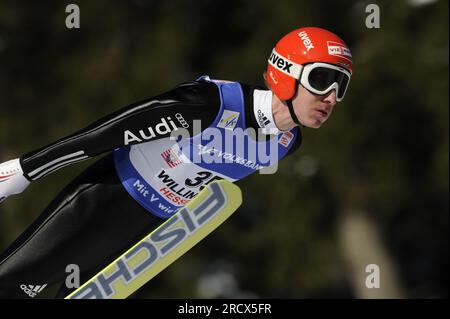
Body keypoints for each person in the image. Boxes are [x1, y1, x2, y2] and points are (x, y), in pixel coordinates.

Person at [0, 27, 353, 298]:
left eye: (341, 85)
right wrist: (28, 169)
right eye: (321, 79)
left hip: (147, 233)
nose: (331, 97)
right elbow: (111, 131)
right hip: (104, 200)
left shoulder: (287, 143)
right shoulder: (212, 103)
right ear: (285, 72)